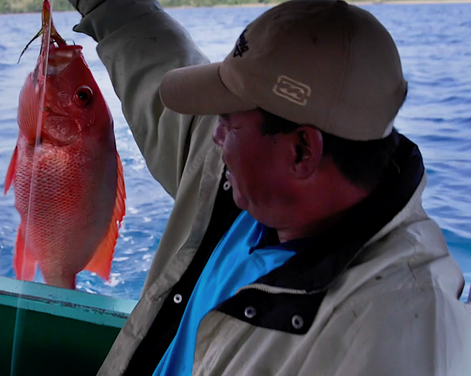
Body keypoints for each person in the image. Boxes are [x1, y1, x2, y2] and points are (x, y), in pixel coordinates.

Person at [65, 0, 471, 375]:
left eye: (228, 120)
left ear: (301, 151)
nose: (215, 136)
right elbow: (154, 60)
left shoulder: (400, 332)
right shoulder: (247, 180)